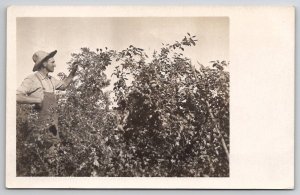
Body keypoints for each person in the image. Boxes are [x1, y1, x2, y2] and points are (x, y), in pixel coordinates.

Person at [17, 50, 78, 144]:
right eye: (52, 62)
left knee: (52, 157)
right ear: (44, 64)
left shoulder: (51, 80)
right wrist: (36, 100)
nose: (55, 65)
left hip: (52, 129)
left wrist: (73, 72)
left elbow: (64, 85)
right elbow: (16, 96)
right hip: (38, 130)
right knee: (38, 156)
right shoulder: (32, 79)